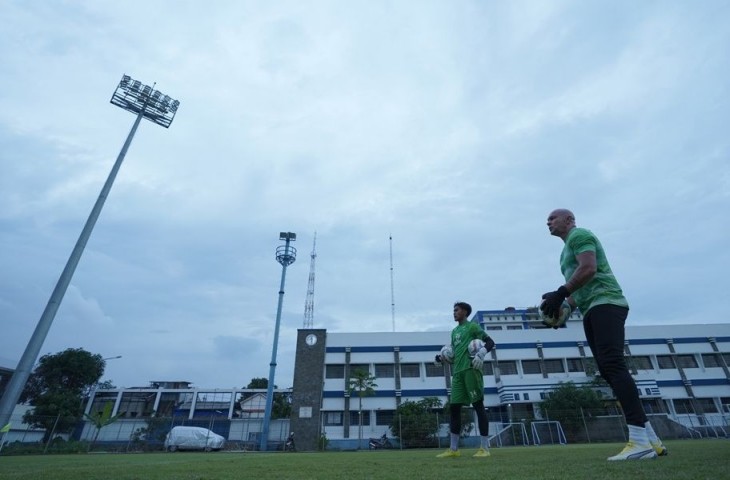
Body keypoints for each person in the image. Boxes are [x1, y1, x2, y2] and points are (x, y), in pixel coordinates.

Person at [540, 209, 666, 461]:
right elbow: (579, 292)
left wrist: (561, 292)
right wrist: (561, 311)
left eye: (553, 218)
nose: (548, 222)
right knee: (608, 371)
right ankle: (652, 440)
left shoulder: (580, 235)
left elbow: (589, 269)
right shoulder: (564, 253)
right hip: (591, 308)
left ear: (569, 220)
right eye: (547, 220)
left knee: (613, 365)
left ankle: (639, 442)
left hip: (607, 302)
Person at [434, 301, 495, 458]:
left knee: (478, 406)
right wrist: (441, 358)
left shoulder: (472, 327)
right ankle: (454, 450)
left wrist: (481, 353)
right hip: (458, 373)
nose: (454, 312)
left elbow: (490, 342)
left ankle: (485, 448)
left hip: (471, 370)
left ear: (465, 312)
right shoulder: (454, 332)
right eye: (453, 310)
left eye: (457, 310)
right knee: (454, 408)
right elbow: (453, 354)